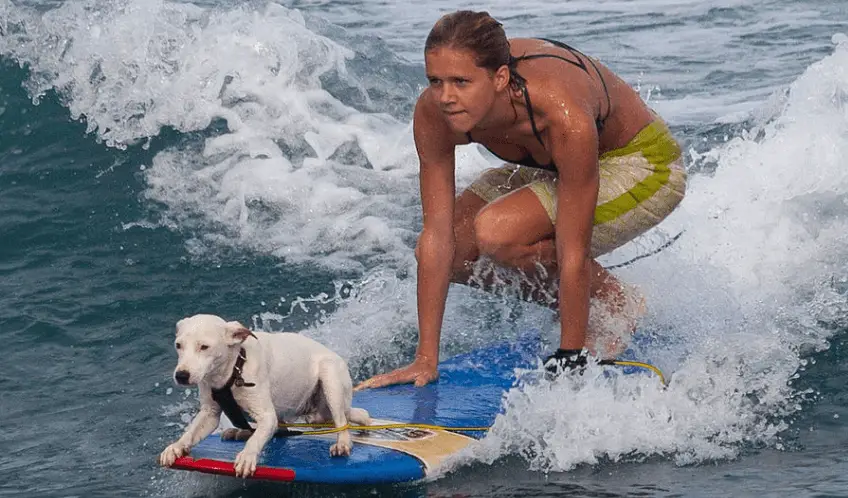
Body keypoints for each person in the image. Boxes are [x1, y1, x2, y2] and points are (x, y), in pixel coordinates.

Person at [356, 10, 686, 390]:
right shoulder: (434, 114)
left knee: (498, 232)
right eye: (435, 81)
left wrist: (570, 355)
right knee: (458, 251)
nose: (446, 97)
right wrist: (425, 360)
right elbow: (436, 237)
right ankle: (592, 303)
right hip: (551, 164)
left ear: (499, 78)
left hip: (640, 165)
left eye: (461, 82)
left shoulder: (559, 112)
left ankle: (614, 302)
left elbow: (572, 248)